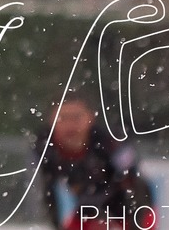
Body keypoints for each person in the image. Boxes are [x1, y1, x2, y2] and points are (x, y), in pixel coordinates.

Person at [35, 94, 155, 230]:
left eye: (76, 117)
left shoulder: (112, 143)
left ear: (90, 118)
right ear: (51, 121)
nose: (70, 125)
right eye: (62, 118)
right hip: (88, 210)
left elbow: (135, 185)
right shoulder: (45, 147)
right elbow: (49, 191)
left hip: (131, 210)